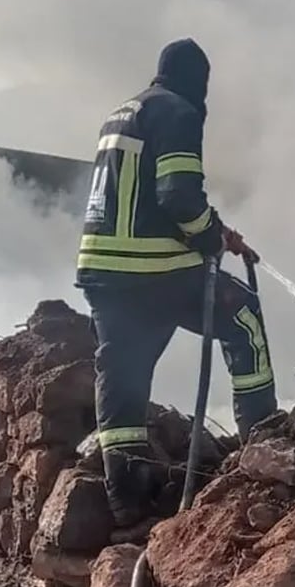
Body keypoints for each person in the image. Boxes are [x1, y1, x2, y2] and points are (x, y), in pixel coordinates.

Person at [74, 37, 278, 532]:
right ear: (197, 81)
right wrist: (210, 237)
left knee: (123, 376)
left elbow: (148, 194)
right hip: (155, 272)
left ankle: (127, 500)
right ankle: (265, 445)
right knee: (243, 317)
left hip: (105, 271)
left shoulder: (123, 112)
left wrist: (219, 234)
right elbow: (178, 196)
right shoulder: (179, 113)